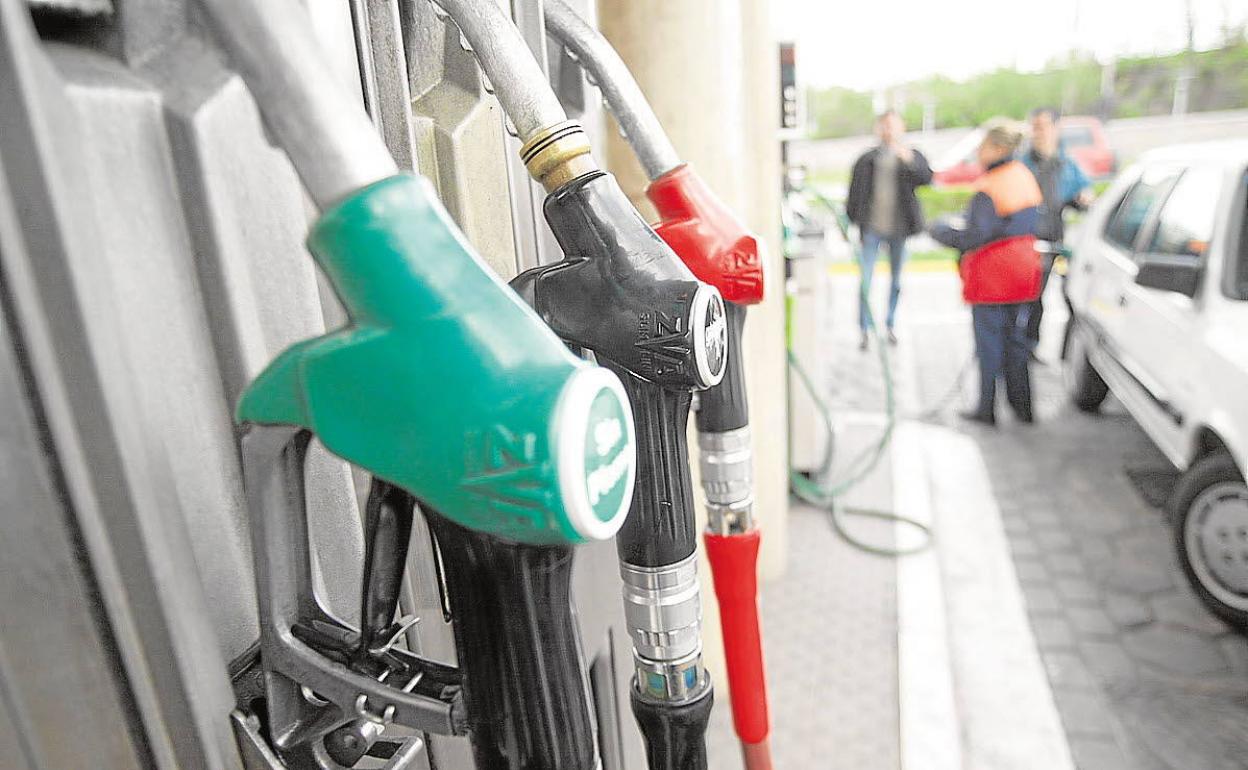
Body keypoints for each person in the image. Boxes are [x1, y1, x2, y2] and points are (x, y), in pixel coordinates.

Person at [930, 120, 1043, 426]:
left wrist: (939, 231)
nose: (979, 153)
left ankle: (986, 409)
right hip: (1024, 271)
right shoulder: (1022, 175)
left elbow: (975, 235)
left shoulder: (990, 186)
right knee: (1016, 340)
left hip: (994, 276)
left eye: (982, 147)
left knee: (989, 343)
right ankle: (1024, 408)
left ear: (999, 148)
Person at [846, 110, 933, 350]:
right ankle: (864, 329)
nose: (889, 130)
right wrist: (851, 222)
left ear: (902, 128)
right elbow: (854, 193)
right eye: (884, 126)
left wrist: (909, 161)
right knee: (866, 280)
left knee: (896, 281)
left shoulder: (911, 156)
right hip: (871, 229)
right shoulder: (866, 159)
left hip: (899, 230)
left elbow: (927, 178)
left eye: (893, 126)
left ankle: (890, 324)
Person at [1021, 107, 1092, 358]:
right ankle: (1022, 347)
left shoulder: (1067, 164)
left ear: (1055, 128)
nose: (1038, 132)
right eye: (1034, 126)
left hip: (1054, 241)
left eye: (1043, 126)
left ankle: (1045, 349)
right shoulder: (1023, 163)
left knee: (1058, 295)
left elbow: (1083, 195)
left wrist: (1084, 198)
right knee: (1028, 297)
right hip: (1026, 240)